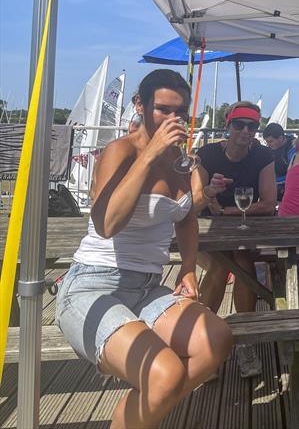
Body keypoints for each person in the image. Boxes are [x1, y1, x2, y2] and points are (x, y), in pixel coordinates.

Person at [56, 69, 233, 429]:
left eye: (180, 112)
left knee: (217, 339)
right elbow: (107, 224)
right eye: (163, 109)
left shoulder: (181, 161)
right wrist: (149, 154)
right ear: (139, 104)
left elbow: (185, 216)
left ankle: (135, 416)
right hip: (92, 285)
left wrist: (186, 267)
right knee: (164, 375)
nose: (173, 120)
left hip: (147, 286)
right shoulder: (118, 152)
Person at [191, 101, 277, 378]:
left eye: (252, 126)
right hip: (210, 230)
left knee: (241, 263)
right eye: (239, 125)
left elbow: (269, 203)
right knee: (221, 264)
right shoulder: (206, 154)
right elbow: (193, 204)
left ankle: (245, 341)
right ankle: (205, 342)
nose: (246, 130)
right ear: (227, 126)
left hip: (246, 228)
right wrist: (209, 191)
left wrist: (227, 209)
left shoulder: (263, 156)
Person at [263, 122, 296, 193]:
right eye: (267, 142)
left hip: (288, 185)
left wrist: (274, 182)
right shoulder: (271, 148)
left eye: (271, 141)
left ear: (281, 138)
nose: (268, 145)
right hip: (276, 181)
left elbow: (293, 174)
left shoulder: (292, 149)